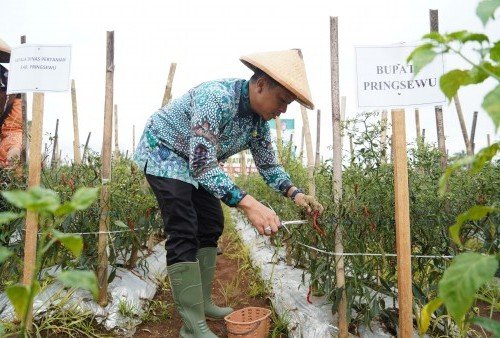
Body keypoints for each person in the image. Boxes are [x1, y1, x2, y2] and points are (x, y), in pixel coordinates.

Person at [134, 49, 324, 337]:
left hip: (195, 163)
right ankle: (192, 325)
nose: (283, 110)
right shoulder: (217, 98)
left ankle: (203, 302)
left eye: (288, 104)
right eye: (282, 101)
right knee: (184, 228)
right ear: (260, 85)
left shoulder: (258, 123)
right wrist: (249, 204)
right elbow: (200, 163)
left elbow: (269, 165)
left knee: (211, 223)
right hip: (165, 152)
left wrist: (296, 194)